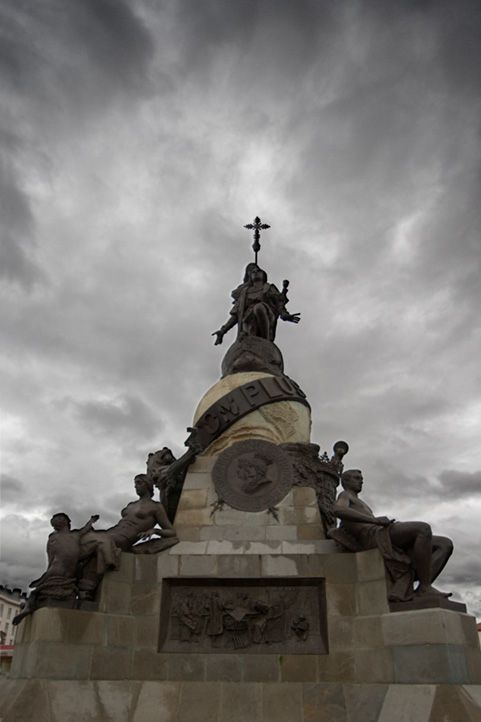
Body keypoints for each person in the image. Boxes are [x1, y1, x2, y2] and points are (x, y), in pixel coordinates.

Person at [333, 469, 453, 600]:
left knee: (444, 544)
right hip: (374, 535)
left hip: (381, 530)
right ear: (345, 481)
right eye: (356, 478)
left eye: (361, 479)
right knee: (423, 529)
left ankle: (422, 584)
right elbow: (338, 510)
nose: (361, 481)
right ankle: (425, 588)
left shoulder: (361, 502)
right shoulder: (345, 495)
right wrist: (374, 520)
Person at [78, 474, 177, 598]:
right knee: (80, 540)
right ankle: (71, 581)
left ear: (148, 485)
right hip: (112, 532)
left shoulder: (156, 507)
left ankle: (86, 587)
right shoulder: (131, 504)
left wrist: (155, 531)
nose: (136, 486)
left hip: (124, 538)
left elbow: (171, 532)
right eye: (135, 483)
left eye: (139, 483)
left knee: (100, 541)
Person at [13, 512, 99, 625]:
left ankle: (29, 605)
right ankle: (29, 605)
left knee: (45, 586)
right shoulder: (55, 537)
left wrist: (91, 521)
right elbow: (52, 555)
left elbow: (85, 529)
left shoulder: (75, 535)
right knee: (44, 587)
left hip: (67, 570)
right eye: (54, 520)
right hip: (58, 568)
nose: (55, 521)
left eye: (58, 518)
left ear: (66, 521)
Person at [212, 263, 300, 345]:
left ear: (263, 275)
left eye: (258, 271)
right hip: (248, 321)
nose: (256, 272)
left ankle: (265, 340)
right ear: (250, 276)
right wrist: (222, 331)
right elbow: (236, 315)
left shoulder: (268, 288)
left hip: (266, 315)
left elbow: (278, 303)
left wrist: (284, 314)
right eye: (253, 272)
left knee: (258, 307)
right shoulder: (245, 292)